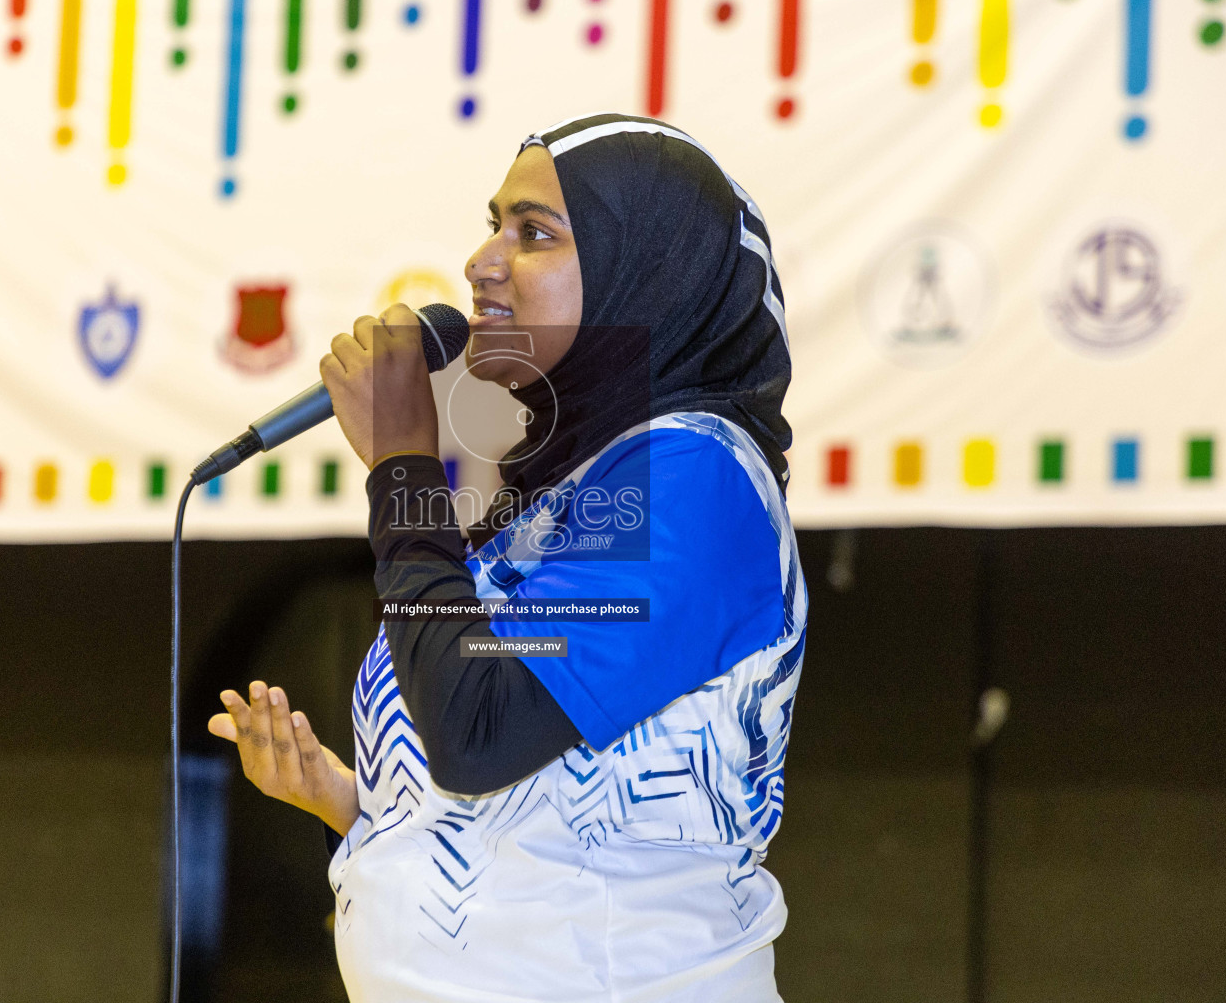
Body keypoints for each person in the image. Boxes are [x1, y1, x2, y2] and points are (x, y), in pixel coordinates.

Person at [208, 112, 807, 1002]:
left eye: (533, 233)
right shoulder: (558, 503)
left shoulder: (697, 474)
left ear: (646, 271)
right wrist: (363, 807)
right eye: (493, 225)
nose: (483, 262)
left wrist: (406, 468)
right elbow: (528, 784)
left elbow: (476, 729)